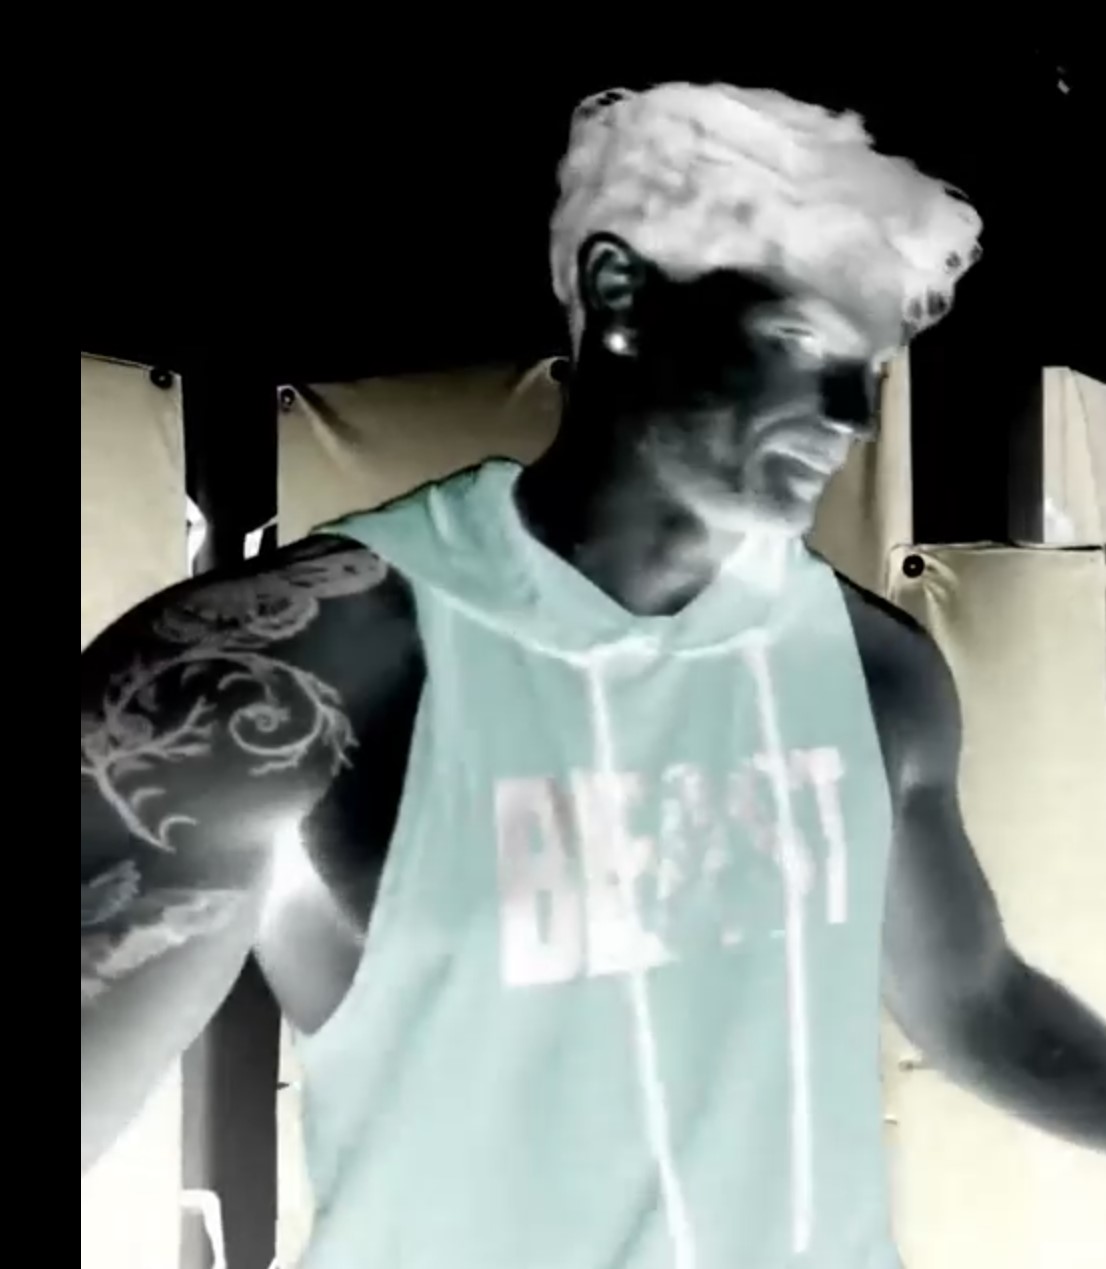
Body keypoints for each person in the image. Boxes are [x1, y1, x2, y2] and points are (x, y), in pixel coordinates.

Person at [81, 83, 1106, 1267]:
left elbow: (974, 1002)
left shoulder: (877, 672)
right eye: (796, 341)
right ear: (619, 294)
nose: (848, 413)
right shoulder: (268, 672)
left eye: (869, 362)